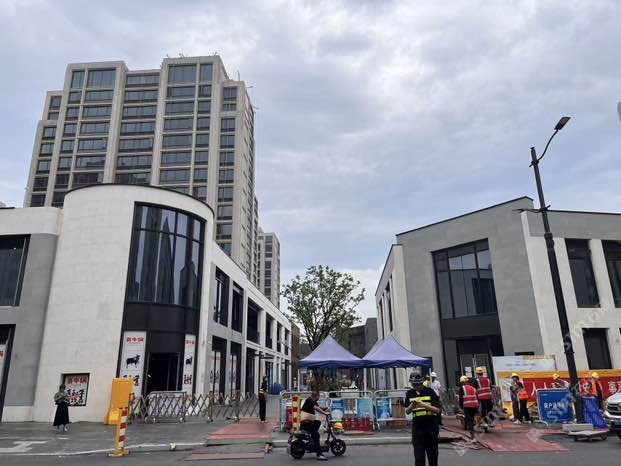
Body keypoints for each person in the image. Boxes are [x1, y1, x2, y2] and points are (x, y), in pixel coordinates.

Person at [404, 373, 442, 466]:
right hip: (417, 430)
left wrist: (424, 405)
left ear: (421, 383)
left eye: (417, 385)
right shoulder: (410, 393)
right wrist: (412, 405)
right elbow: (407, 411)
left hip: (431, 429)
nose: (416, 387)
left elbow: (437, 410)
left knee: (433, 458)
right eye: (413, 385)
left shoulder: (430, 392)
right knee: (419, 459)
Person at [300, 390, 331, 461]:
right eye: (319, 396)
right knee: (316, 435)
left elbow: (318, 407)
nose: (319, 398)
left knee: (318, 422)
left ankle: (312, 439)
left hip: (308, 421)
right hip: (306, 423)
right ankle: (319, 455)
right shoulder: (310, 401)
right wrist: (325, 413)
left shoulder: (312, 400)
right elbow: (316, 408)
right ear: (316, 396)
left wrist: (325, 408)